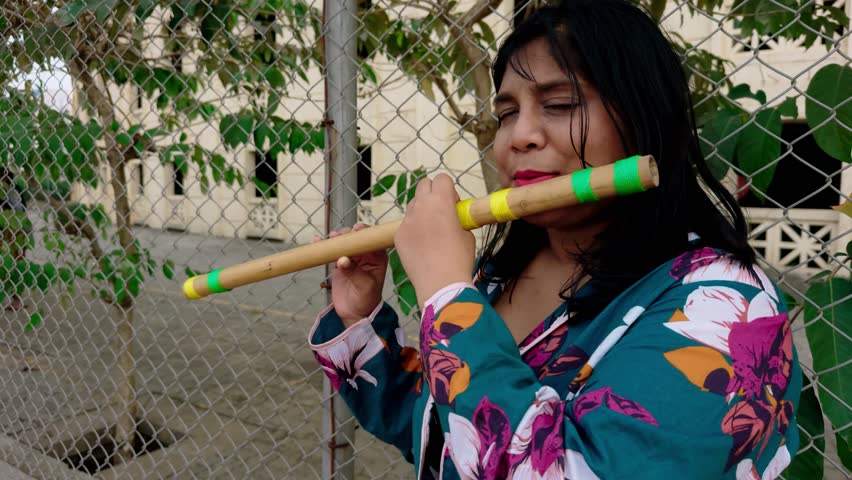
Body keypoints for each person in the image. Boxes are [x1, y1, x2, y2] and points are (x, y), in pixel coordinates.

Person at [308, 1, 801, 478]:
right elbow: (442, 431)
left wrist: (446, 299)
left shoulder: (728, 306)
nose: (519, 136)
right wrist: (359, 321)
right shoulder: (501, 272)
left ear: (643, 117)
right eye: (505, 113)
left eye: (560, 104)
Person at [0, 166, 29, 312]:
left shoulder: (11, 190)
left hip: (17, 230)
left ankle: (17, 299)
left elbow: (17, 213)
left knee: (16, 263)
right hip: (10, 229)